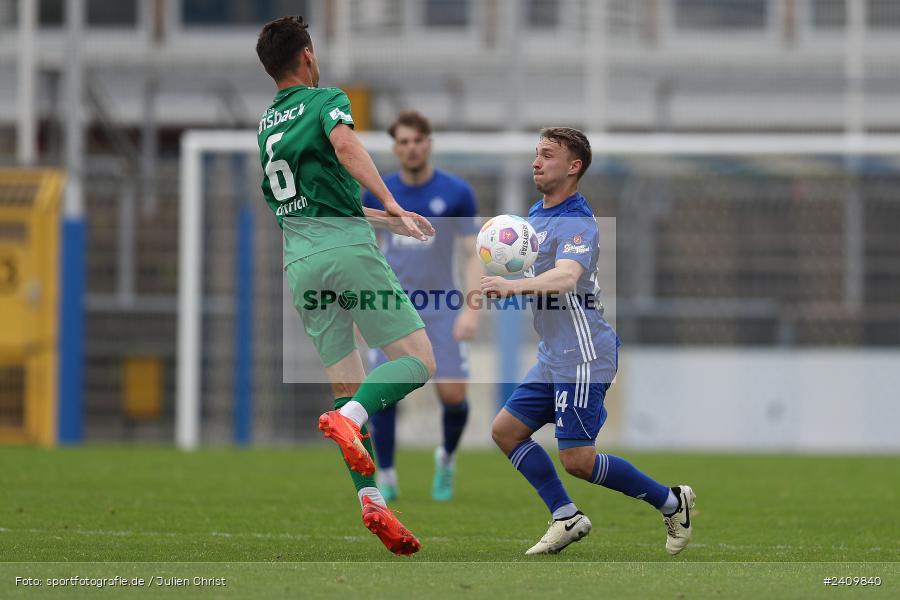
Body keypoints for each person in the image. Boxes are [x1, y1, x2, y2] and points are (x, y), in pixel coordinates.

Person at [255, 15, 438, 556]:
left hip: (300, 261)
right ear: (307, 56)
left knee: (346, 382)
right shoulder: (325, 99)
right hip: (347, 255)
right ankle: (349, 419)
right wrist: (390, 200)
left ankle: (372, 501)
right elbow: (346, 148)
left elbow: (318, 202)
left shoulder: (267, 126)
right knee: (419, 362)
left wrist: (387, 220)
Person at [481, 127, 696, 556]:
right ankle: (566, 516)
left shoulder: (577, 219)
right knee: (506, 432)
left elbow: (566, 277)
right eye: (535, 154)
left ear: (573, 166)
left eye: (547, 155)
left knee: (577, 460)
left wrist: (512, 288)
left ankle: (673, 502)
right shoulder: (536, 215)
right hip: (552, 356)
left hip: (583, 355)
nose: (535, 162)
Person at [362, 110, 481, 502]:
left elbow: (471, 252)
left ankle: (446, 460)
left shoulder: (456, 192)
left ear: (428, 143)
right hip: (394, 307)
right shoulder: (378, 193)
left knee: (453, 396)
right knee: (385, 392)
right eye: (403, 142)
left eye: (417, 140)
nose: (411, 148)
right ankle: (389, 473)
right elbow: (366, 251)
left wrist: (470, 308)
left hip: (442, 307)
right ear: (395, 147)